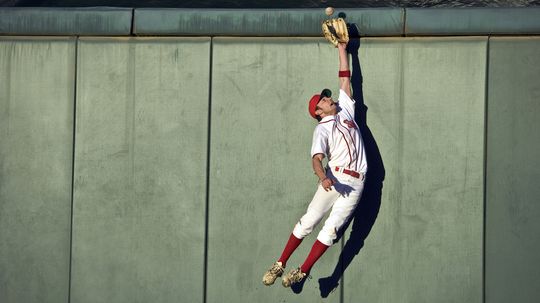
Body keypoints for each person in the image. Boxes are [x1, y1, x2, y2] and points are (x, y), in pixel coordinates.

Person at [262, 41, 368, 288]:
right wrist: (323, 177)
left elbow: (345, 78)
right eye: (322, 99)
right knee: (309, 221)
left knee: (330, 231)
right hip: (334, 179)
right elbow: (316, 159)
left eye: (326, 97)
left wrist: (343, 49)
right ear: (318, 111)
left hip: (356, 183)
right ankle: (280, 263)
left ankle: (303, 271)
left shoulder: (345, 112)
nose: (328, 98)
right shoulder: (321, 129)